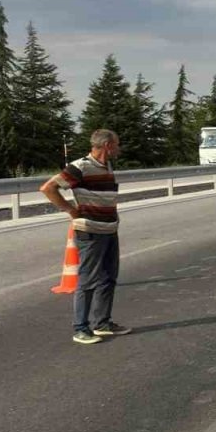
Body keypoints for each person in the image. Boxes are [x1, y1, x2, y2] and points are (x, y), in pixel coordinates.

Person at [39, 129, 132, 345]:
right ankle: (80, 328)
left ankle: (102, 323)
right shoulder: (80, 166)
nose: (119, 148)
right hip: (90, 232)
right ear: (108, 145)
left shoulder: (107, 166)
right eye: (117, 144)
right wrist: (71, 210)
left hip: (109, 230)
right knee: (88, 280)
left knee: (108, 278)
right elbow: (48, 188)